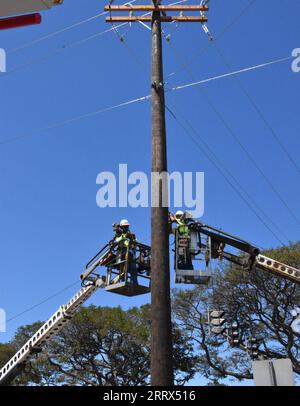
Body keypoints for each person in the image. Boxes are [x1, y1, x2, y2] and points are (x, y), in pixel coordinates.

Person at [113, 219, 138, 284]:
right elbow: (116, 241)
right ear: (121, 227)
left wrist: (133, 239)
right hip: (122, 254)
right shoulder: (118, 235)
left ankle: (134, 283)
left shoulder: (130, 235)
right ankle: (123, 281)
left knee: (133, 269)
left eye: (127, 226)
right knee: (123, 269)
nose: (126, 228)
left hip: (131, 254)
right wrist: (124, 237)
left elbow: (136, 243)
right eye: (125, 226)